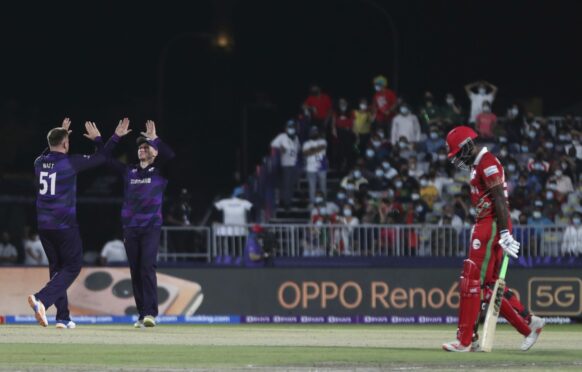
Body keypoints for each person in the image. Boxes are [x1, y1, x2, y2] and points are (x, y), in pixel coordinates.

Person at [442, 126, 544, 352]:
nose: (457, 159)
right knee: (487, 287)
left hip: (491, 228)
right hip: (487, 225)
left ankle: (466, 340)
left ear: (468, 145)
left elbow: (499, 197)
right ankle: (527, 323)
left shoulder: (487, 162)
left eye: (458, 153)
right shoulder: (479, 163)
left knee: (473, 281)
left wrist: (504, 231)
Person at [28, 118, 127, 328]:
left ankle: (62, 317)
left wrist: (60, 134)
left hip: (44, 226)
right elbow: (102, 157)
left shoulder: (38, 162)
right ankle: (41, 299)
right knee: (72, 266)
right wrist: (105, 138)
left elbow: (49, 151)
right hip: (64, 226)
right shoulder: (70, 162)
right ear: (65, 144)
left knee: (57, 270)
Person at [106, 120, 174, 328]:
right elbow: (104, 158)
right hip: (130, 228)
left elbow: (170, 155)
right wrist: (114, 137)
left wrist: (155, 138)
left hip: (151, 227)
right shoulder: (129, 171)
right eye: (139, 147)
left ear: (155, 153)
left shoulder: (160, 171)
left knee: (147, 267)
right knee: (135, 270)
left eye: (146, 146)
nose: (141, 149)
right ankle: (141, 314)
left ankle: (151, 314)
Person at [271, 120, 301, 210]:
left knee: (291, 184)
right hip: (285, 164)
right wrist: (281, 148)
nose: (291, 129)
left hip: (294, 164)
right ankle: (286, 203)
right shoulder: (282, 136)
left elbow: (298, 149)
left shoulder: (296, 138)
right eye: (289, 127)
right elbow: (273, 144)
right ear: (286, 128)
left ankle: (288, 201)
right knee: (286, 184)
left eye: (293, 127)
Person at [302, 126, 328, 205]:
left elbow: (322, 147)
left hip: (321, 167)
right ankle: (312, 203)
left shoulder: (323, 141)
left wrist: (311, 151)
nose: (314, 133)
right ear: (310, 133)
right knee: (312, 187)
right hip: (310, 168)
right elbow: (305, 153)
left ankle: (323, 202)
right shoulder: (306, 143)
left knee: (323, 186)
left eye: (316, 132)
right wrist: (316, 149)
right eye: (313, 132)